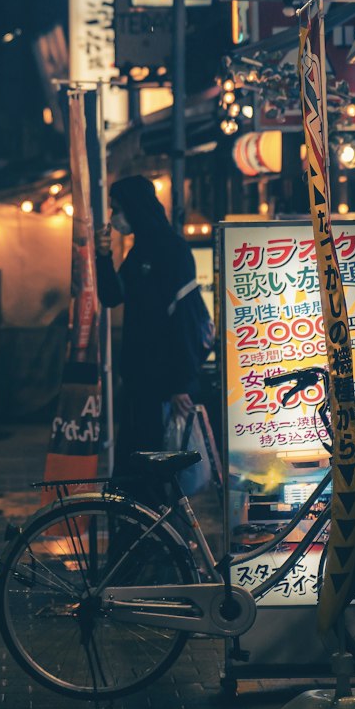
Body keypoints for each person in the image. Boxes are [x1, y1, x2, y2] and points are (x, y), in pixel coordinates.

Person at [95, 175, 211, 482]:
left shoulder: (171, 249)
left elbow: (184, 319)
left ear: (135, 208)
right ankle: (143, 528)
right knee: (137, 471)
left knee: (153, 474)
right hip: (139, 380)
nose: (113, 218)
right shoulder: (139, 251)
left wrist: (181, 383)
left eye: (117, 209)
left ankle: (156, 529)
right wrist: (103, 256)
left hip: (162, 384)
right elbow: (112, 296)